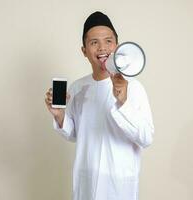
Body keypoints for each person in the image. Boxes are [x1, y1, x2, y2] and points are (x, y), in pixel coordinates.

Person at [45, 11, 154, 200]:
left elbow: (146, 137)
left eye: (108, 41)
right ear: (84, 50)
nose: (102, 48)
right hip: (86, 183)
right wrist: (60, 116)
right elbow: (75, 134)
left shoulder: (134, 87)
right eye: (94, 42)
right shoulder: (78, 87)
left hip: (119, 187)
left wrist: (123, 101)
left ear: (117, 46)